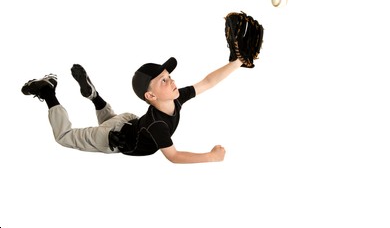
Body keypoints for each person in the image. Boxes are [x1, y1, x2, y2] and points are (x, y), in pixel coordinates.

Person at [21, 57, 243, 163]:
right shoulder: (158, 125)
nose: (172, 81)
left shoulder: (175, 98)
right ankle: (49, 92)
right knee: (64, 137)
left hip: (126, 124)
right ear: (151, 96)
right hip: (114, 137)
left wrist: (236, 62)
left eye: (169, 77)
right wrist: (212, 157)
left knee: (111, 122)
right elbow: (174, 156)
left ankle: (95, 97)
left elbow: (207, 82)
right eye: (164, 80)